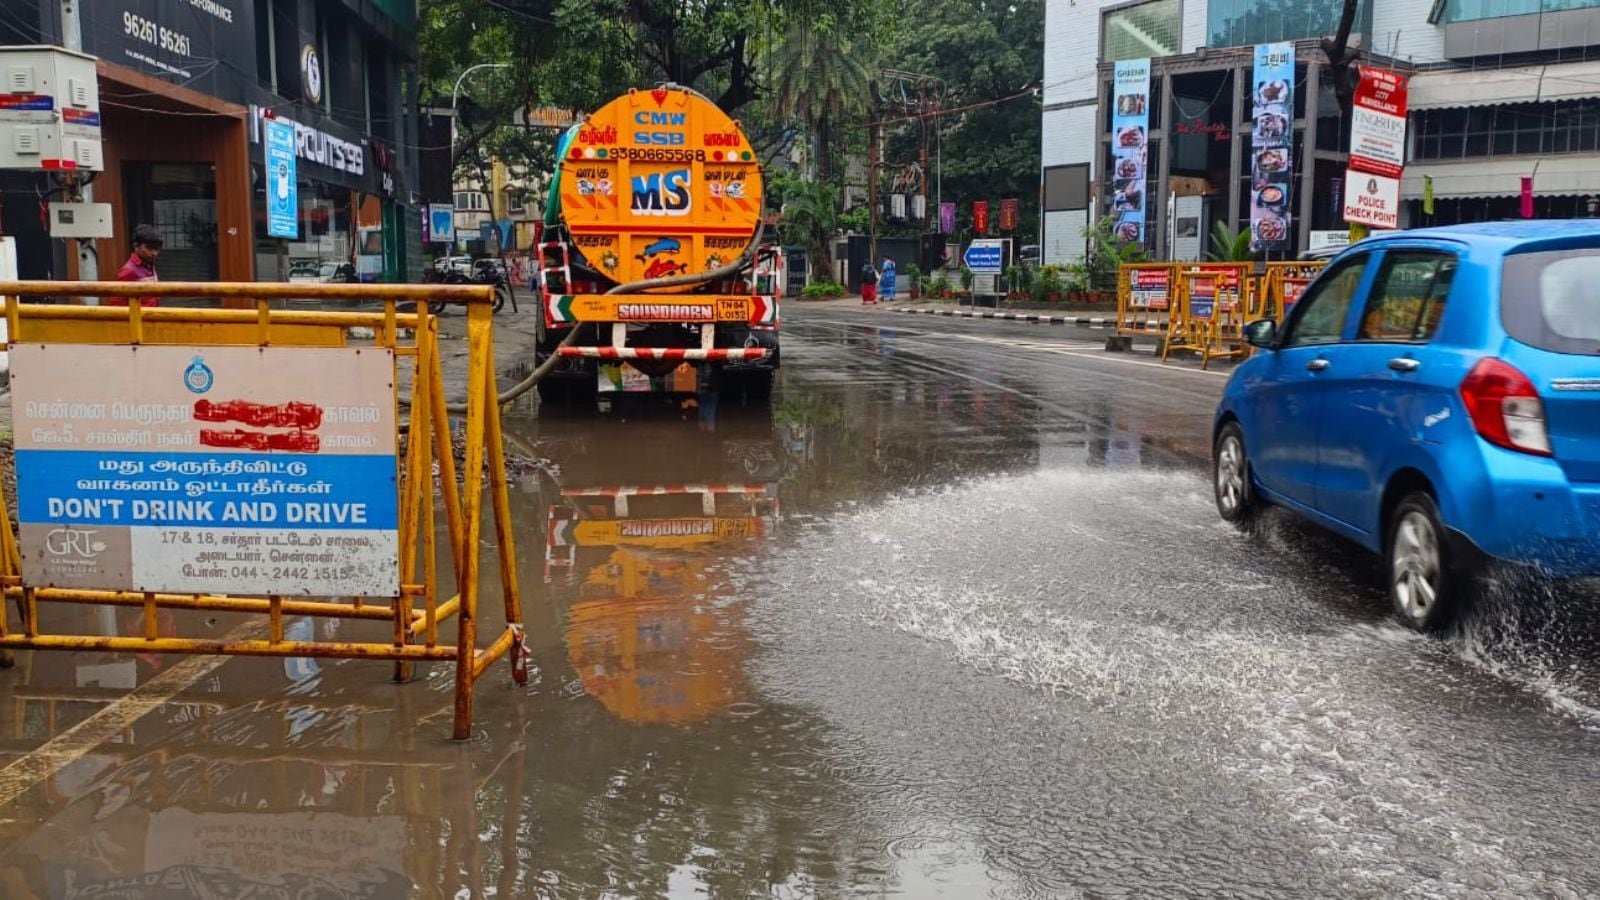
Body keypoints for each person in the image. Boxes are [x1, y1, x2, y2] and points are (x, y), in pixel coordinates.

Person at [109, 224, 162, 307]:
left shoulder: (150, 265)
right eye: (149, 248)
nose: (154, 253)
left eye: (156, 249)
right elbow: (117, 304)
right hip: (137, 318)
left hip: (151, 316)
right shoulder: (129, 271)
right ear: (136, 246)